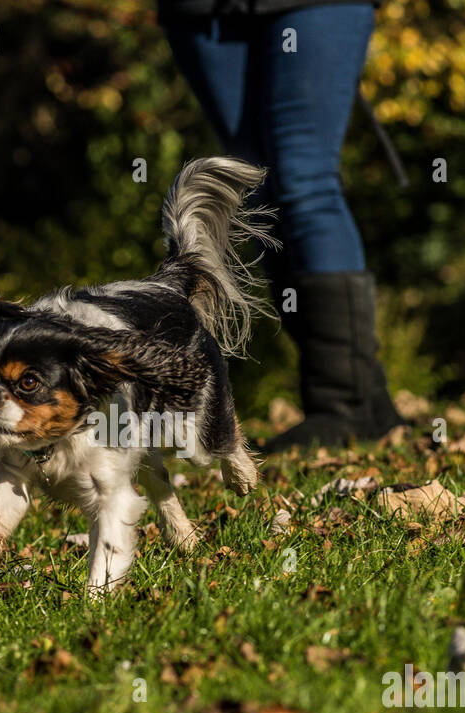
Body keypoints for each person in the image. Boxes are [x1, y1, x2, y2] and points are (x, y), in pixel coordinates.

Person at [158, 0, 405, 450]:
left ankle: (342, 403)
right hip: (203, 11)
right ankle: (368, 400)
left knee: (304, 179)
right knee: (257, 184)